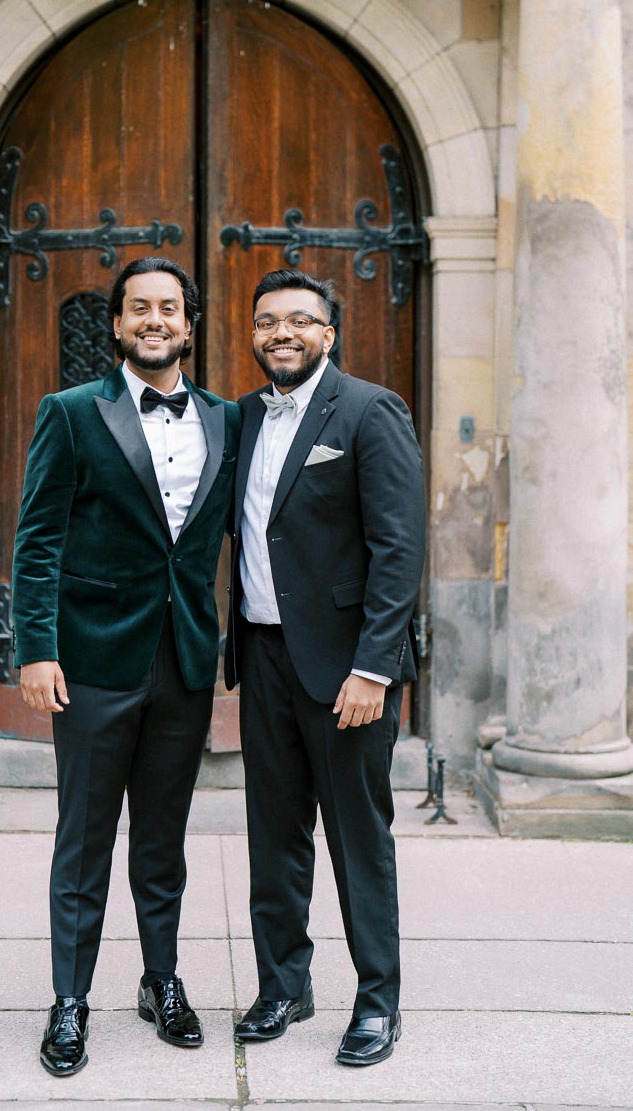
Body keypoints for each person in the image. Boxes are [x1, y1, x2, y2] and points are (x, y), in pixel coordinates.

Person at [12, 256, 240, 1077]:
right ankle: (69, 1000)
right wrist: (34, 647)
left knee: (163, 841)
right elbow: (37, 539)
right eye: (138, 308)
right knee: (83, 840)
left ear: (190, 325)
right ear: (115, 324)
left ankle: (161, 982)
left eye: (168, 309)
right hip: (94, 663)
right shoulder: (72, 413)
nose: (154, 320)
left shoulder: (225, 419)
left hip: (183, 664)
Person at [226, 268, 425, 1068]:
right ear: (252, 334)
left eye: (301, 321)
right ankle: (284, 986)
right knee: (274, 836)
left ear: (328, 334)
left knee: (356, 837)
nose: (283, 333)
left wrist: (374, 668)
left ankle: (377, 1001)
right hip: (263, 654)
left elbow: (398, 548)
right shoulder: (240, 418)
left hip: (348, 669)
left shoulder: (371, 410)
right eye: (268, 321)